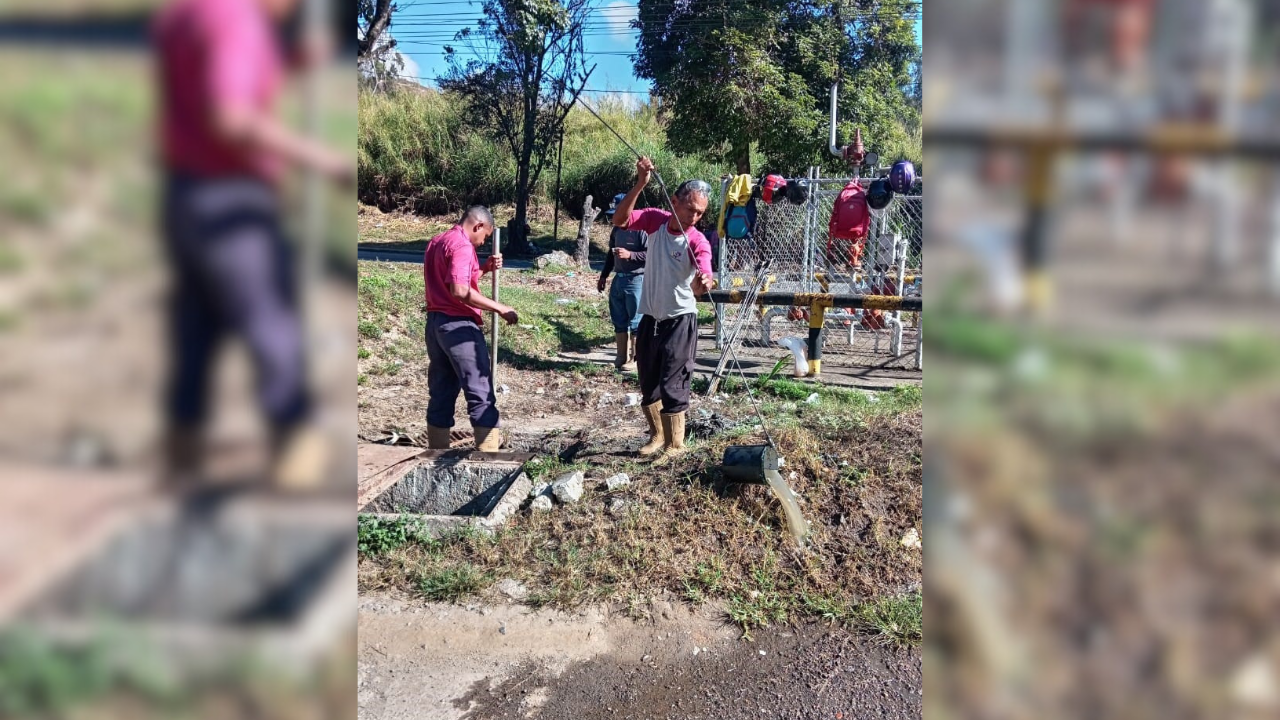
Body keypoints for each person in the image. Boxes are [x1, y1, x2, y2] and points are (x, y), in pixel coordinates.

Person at [153, 0, 352, 491]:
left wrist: (288, 60)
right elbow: (230, 116)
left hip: (185, 193)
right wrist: (322, 161)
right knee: (271, 324)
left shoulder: (189, 12)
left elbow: (210, 82)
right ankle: (295, 465)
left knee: (197, 330)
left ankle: (183, 456)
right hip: (232, 200)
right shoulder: (237, 19)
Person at [611, 157, 716, 460]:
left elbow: (702, 276)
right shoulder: (656, 220)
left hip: (679, 320)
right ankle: (657, 436)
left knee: (674, 382)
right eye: (689, 209)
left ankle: (676, 445)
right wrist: (641, 183)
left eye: (700, 212)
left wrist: (703, 282)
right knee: (648, 382)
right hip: (650, 317)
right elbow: (620, 220)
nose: (694, 217)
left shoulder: (697, 241)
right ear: (674, 202)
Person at [423, 206, 519, 452]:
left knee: (442, 391)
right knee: (479, 391)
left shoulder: (438, 241)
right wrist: (499, 308)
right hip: (459, 328)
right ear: (478, 226)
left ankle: (437, 454)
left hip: (436, 324)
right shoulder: (463, 246)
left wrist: (485, 268)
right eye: (485, 236)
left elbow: (456, 279)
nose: (482, 241)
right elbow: (460, 290)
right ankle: (489, 458)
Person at [597, 192, 648, 371]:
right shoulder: (617, 229)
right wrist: (604, 275)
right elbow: (610, 255)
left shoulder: (642, 230)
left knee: (636, 321)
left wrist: (630, 255)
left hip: (637, 279)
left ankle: (636, 359)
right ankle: (621, 356)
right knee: (619, 319)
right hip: (619, 278)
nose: (615, 219)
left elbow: (652, 254)